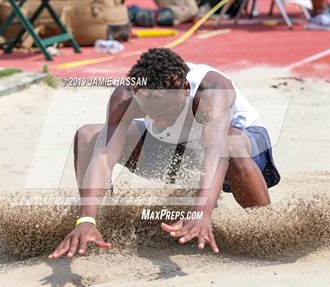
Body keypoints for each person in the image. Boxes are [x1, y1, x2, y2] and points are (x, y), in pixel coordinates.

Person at [49, 48, 280, 259]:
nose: (159, 121)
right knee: (88, 135)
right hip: (174, 151)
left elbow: (216, 152)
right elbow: (103, 157)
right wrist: (85, 218)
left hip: (239, 150)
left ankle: (267, 234)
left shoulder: (211, 90)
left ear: (185, 90)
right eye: (151, 113)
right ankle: (96, 226)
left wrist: (201, 212)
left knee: (230, 144)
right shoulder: (127, 96)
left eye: (167, 111)